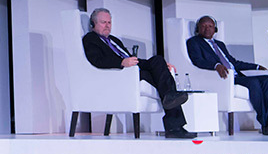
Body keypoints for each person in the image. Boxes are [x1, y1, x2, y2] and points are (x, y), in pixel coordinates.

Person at [82, 8, 196, 139]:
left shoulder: (114, 40)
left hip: (133, 69)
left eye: (109, 22)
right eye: (103, 22)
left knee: (159, 61)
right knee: (165, 85)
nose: (107, 26)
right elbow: (97, 60)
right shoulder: (90, 39)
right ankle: (174, 127)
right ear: (93, 24)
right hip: (121, 75)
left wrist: (162, 66)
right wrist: (121, 62)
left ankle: (171, 102)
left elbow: (132, 59)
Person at [187, 15, 268, 136]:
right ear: (198, 28)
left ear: (215, 29)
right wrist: (216, 65)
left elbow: (234, 63)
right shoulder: (194, 42)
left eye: (210, 26)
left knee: (267, 79)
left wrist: (256, 66)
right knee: (253, 83)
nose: (207, 29)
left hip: (236, 76)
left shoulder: (220, 44)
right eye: (203, 26)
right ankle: (266, 124)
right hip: (224, 78)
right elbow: (197, 61)